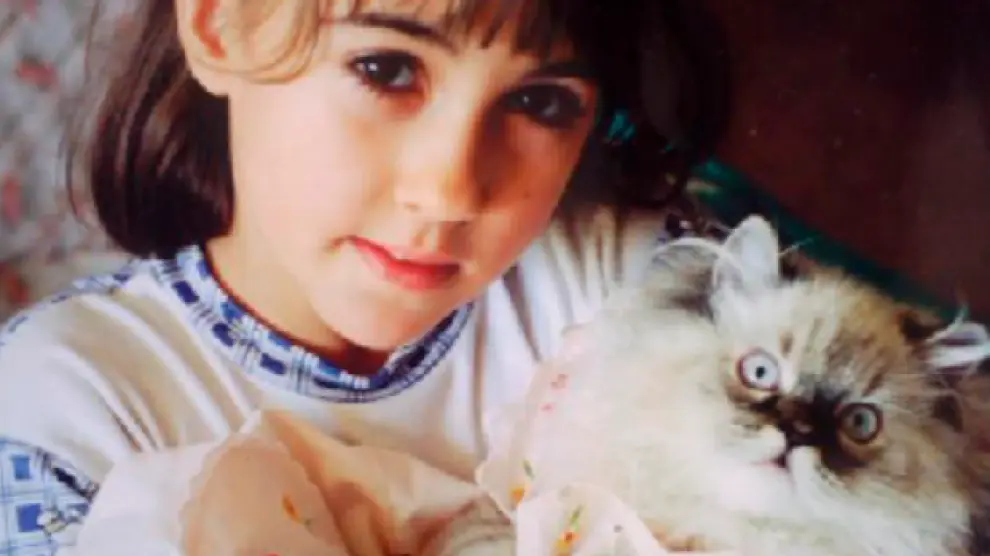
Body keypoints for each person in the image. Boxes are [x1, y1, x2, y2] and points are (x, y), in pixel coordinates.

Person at [0, 0, 725, 553]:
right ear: (222, 26)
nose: (449, 191)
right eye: (386, 68)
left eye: (540, 102)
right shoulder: (63, 415)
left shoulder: (638, 283)